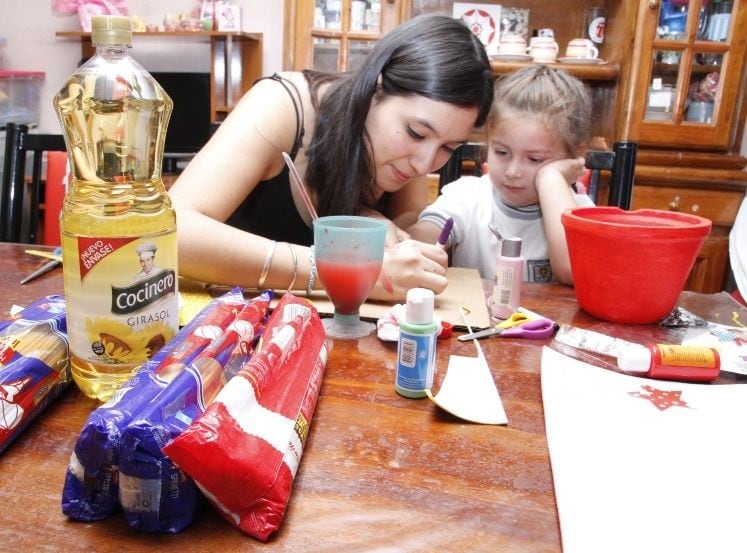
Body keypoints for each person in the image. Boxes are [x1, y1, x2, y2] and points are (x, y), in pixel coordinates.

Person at [168, 15, 494, 301]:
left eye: (448, 147)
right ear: (375, 88)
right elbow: (171, 233)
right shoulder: (281, 107)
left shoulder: (414, 148)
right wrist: (344, 271)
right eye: (416, 133)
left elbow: (409, 218)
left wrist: (389, 234)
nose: (424, 164)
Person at [408, 65, 594, 285]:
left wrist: (551, 179)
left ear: (574, 155)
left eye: (535, 160)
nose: (512, 171)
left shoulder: (581, 211)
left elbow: (573, 271)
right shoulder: (467, 197)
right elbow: (418, 239)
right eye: (502, 152)